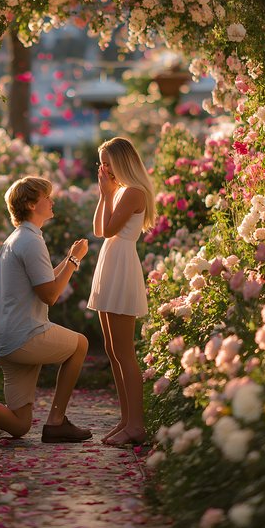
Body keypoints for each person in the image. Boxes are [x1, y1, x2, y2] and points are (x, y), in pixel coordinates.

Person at [0, 176, 92, 443]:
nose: (52, 201)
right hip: (25, 337)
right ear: (30, 204)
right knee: (81, 344)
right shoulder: (31, 241)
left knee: (19, 425)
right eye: (46, 197)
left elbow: (45, 280)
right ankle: (57, 421)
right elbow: (50, 295)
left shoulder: (18, 238)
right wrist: (74, 260)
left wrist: (70, 259)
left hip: (6, 341)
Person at [87, 137, 156, 446]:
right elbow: (99, 230)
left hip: (122, 264)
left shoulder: (134, 193)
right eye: (101, 163)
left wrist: (107, 193)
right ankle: (126, 419)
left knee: (125, 352)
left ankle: (136, 424)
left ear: (120, 162)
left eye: (107, 162)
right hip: (110, 262)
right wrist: (105, 196)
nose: (103, 169)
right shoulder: (119, 193)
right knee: (112, 351)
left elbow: (111, 230)